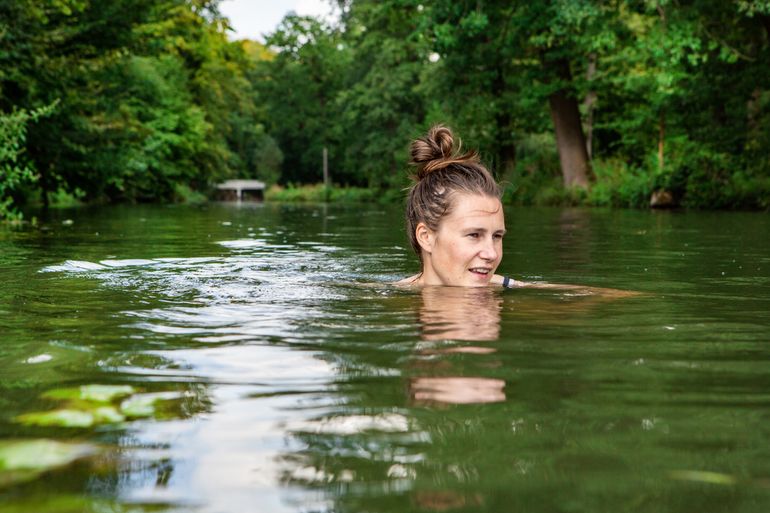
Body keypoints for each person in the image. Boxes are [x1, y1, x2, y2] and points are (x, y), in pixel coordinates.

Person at [396, 124, 521, 288]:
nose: (492, 254)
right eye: (474, 235)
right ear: (426, 237)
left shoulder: (513, 289)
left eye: (497, 236)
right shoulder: (387, 302)